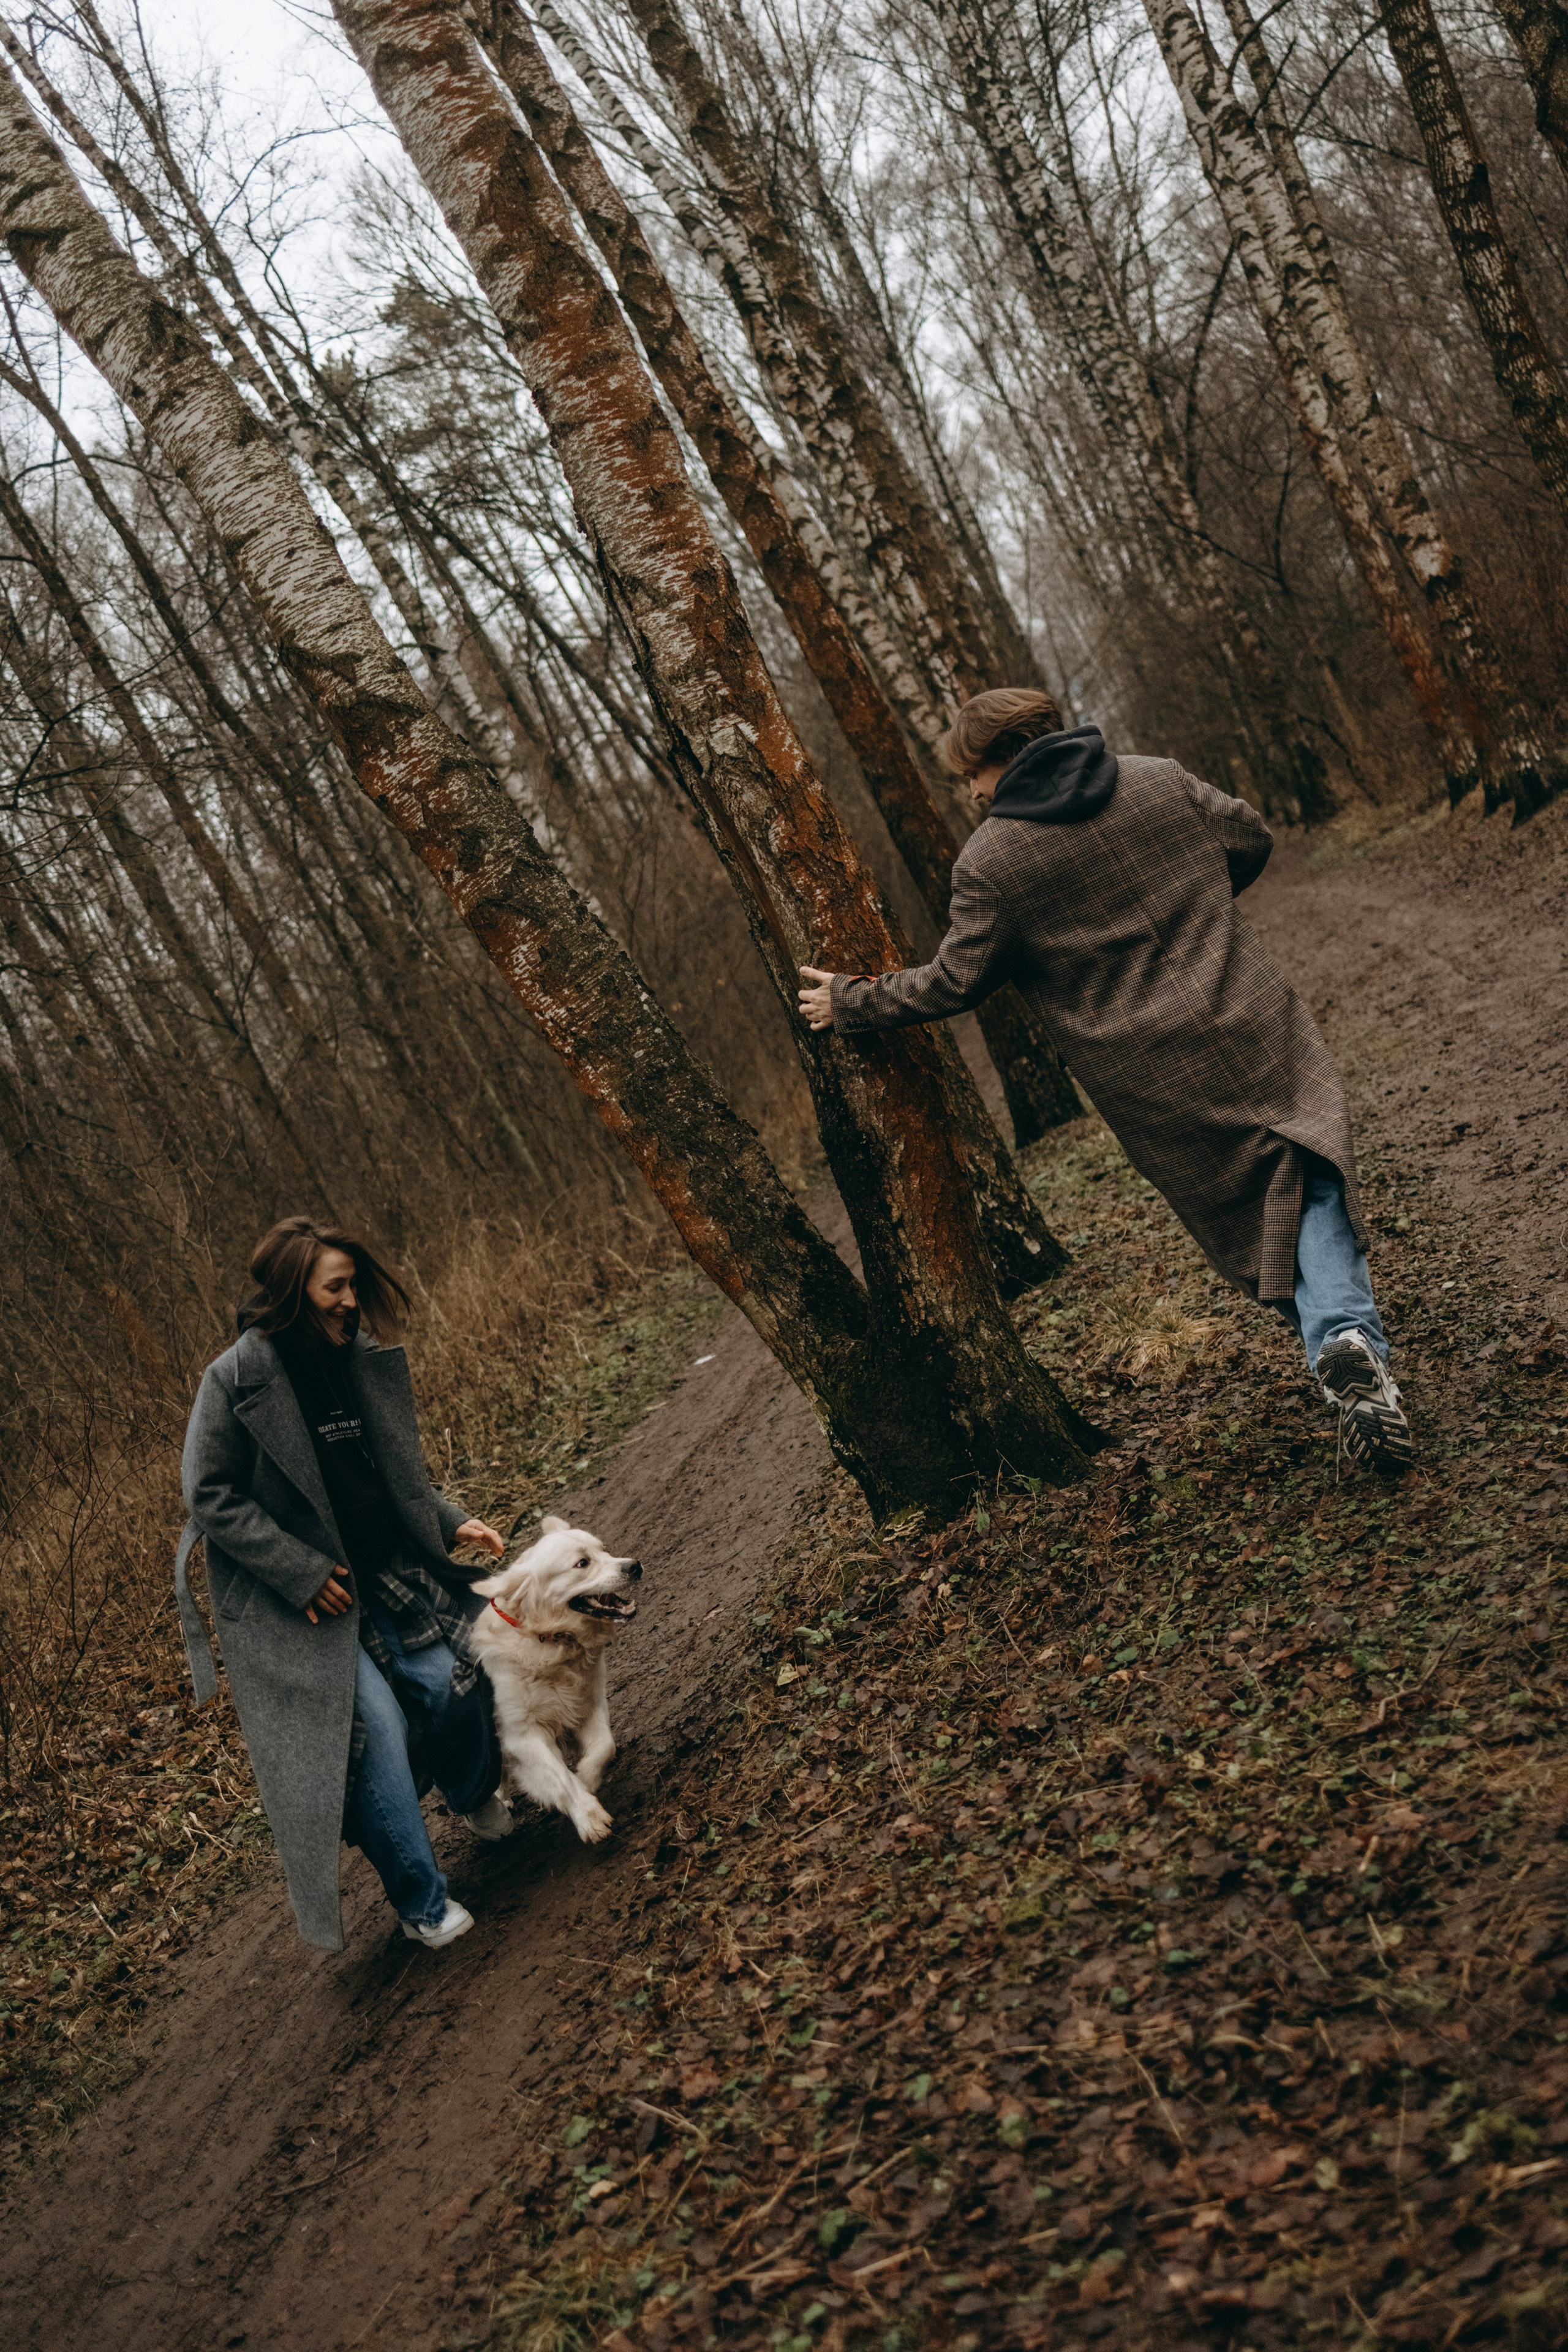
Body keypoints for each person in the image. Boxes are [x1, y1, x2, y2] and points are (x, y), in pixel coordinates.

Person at [798, 690, 1410, 1471]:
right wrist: (1198, 909)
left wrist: (852, 1000)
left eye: (972, 775)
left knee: (1259, 1204)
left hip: (1147, 1071)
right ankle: (1350, 1347)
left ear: (1007, 756)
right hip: (1248, 1013)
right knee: (1309, 1165)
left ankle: (1342, 1352)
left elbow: (954, 981)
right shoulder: (1158, 779)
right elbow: (1248, 838)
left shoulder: (990, 862)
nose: (973, 794)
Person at [176, 1216, 513, 1952]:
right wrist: (297, 1572)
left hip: (388, 1573)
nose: (350, 1299)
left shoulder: (353, 1357)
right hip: (305, 1607)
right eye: (336, 1286)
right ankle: (422, 1904)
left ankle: (469, 1792)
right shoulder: (233, 1379)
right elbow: (207, 1493)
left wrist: (449, 1519)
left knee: (460, 1677)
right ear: (297, 1291)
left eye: (353, 1284)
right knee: (373, 1736)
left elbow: (385, 1475)